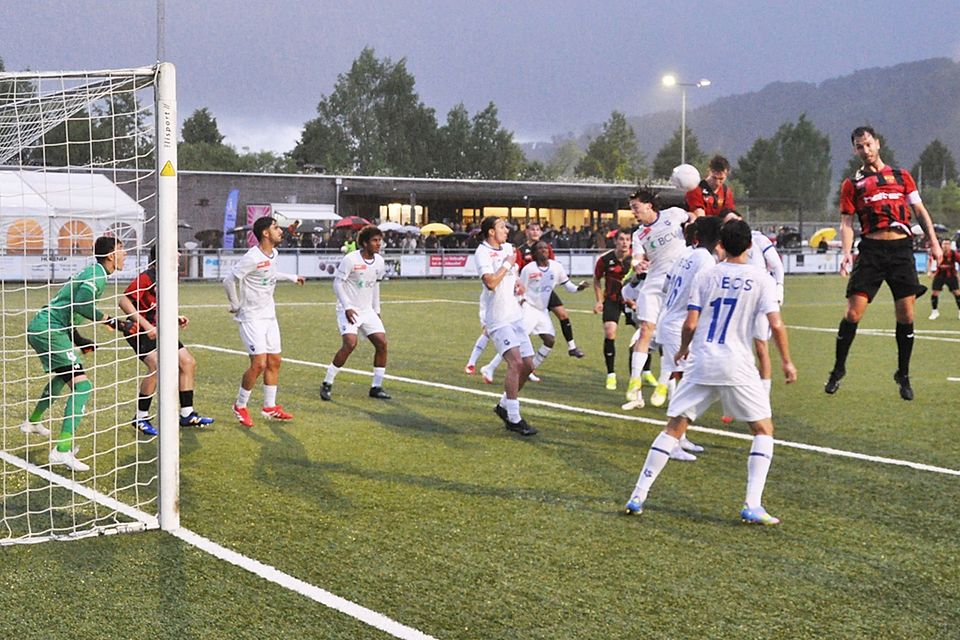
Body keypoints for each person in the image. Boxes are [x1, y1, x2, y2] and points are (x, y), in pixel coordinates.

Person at [624, 219, 797, 524]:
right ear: (749, 245)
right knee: (763, 430)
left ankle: (638, 495)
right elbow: (776, 324)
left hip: (702, 360)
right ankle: (752, 504)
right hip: (737, 365)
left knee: (673, 428)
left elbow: (691, 323)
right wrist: (786, 361)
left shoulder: (707, 274)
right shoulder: (761, 278)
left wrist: (683, 349)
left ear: (722, 245)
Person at [825, 126, 942, 400]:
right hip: (872, 252)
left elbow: (919, 210)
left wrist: (934, 243)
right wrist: (846, 252)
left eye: (868, 144)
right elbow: (846, 223)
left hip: (901, 250)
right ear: (855, 150)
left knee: (907, 315)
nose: (865, 150)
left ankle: (903, 374)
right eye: (859, 147)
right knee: (853, 313)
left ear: (877, 144)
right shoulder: (852, 184)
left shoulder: (901, 176)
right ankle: (838, 369)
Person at [21, 236, 130, 472]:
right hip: (49, 330)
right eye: (122, 249)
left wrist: (80, 340)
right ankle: (62, 450)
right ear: (111, 255)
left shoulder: (93, 272)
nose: (126, 254)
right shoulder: (97, 275)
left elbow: (69, 309)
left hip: (46, 327)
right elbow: (81, 305)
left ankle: (33, 421)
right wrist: (114, 322)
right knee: (82, 386)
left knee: (65, 376)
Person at [118, 245, 214, 436]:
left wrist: (175, 317)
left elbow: (159, 305)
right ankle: (140, 417)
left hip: (162, 329)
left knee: (187, 362)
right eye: (174, 249)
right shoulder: (147, 277)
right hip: (140, 330)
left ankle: (187, 414)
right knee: (157, 366)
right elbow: (124, 301)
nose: (178, 254)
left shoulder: (170, 276)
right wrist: (147, 326)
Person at [650, 216, 723, 460]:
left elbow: (665, 287)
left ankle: (679, 437)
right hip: (678, 325)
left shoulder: (685, 254)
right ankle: (671, 441)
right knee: (685, 383)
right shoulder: (706, 260)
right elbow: (706, 294)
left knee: (682, 380)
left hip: (669, 319)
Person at [223, 216, 305, 427]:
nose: (281, 231)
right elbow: (229, 280)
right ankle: (240, 405)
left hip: (269, 316)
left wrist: (292, 277)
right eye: (276, 228)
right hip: (251, 317)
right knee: (259, 363)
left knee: (274, 361)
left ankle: (269, 406)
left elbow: (270, 272)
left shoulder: (274, 253)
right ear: (265, 233)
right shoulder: (251, 257)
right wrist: (235, 304)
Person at [622, 188, 693, 410]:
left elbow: (693, 218)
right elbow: (636, 258)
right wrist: (637, 264)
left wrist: (692, 228)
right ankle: (635, 382)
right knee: (646, 329)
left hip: (679, 284)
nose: (633, 212)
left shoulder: (674, 214)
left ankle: (664, 382)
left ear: (648, 205)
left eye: (635, 207)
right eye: (631, 208)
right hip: (654, 285)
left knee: (670, 336)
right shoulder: (639, 234)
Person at [479, 241, 587, 382]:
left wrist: (578, 288)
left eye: (545, 248)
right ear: (534, 253)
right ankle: (490, 368)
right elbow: (519, 288)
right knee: (515, 342)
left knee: (549, 340)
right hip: (528, 309)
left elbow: (568, 285)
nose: (544, 250)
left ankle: (529, 370)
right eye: (540, 248)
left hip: (542, 311)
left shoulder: (556, 267)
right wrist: (521, 301)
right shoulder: (529, 269)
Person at [475, 215, 537, 436]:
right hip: (498, 319)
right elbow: (491, 282)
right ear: (491, 232)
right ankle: (514, 418)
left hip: (515, 316)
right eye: (502, 227)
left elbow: (512, 273)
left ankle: (503, 406)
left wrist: (517, 281)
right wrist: (507, 263)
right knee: (516, 363)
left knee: (528, 365)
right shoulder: (482, 252)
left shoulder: (509, 248)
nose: (507, 230)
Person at [321, 225, 391, 401]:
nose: (378, 244)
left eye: (380, 240)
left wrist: (377, 310)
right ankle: (327, 382)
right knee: (350, 344)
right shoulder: (351, 259)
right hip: (349, 309)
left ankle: (376, 387)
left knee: (382, 344)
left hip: (367, 311)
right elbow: (337, 283)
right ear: (365, 243)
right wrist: (347, 307)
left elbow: (375, 285)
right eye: (374, 240)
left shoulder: (379, 261)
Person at [515, 221, 584, 358]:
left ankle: (572, 347)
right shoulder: (521, 250)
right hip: (530, 292)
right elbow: (517, 270)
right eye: (532, 229)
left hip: (545, 290)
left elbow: (551, 266)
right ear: (526, 232)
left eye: (537, 229)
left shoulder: (546, 247)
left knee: (563, 315)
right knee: (527, 328)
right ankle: (518, 356)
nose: (535, 232)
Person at [593, 229, 634, 390]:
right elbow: (597, 279)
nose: (624, 242)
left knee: (645, 333)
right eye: (621, 239)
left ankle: (645, 371)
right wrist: (599, 301)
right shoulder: (605, 259)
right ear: (615, 241)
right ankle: (611, 374)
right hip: (612, 300)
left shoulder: (637, 259)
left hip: (632, 301)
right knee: (610, 332)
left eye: (627, 239)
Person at [927, 239, 960, 320]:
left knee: (957, 293)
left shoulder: (954, 254)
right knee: (935, 293)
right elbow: (930, 260)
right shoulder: (937, 252)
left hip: (951, 275)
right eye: (944, 244)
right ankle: (935, 312)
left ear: (950, 245)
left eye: (947, 244)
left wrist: (958, 275)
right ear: (941, 245)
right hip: (939, 275)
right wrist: (929, 271)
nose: (946, 246)